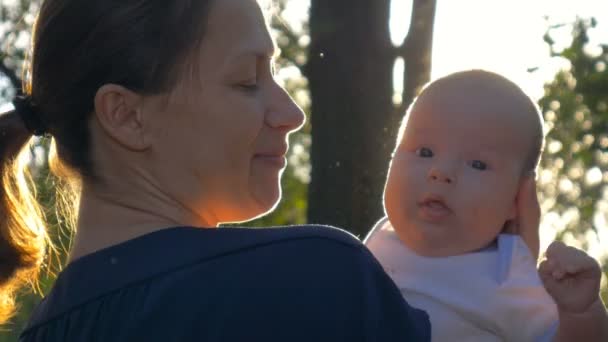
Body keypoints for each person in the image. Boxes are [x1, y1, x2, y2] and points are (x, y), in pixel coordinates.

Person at [0, 0, 431, 340]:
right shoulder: (316, 280)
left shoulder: (43, 331)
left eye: (274, 73)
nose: (291, 112)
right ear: (127, 116)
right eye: (247, 80)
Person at [364, 70, 608, 341]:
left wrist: (581, 314)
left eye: (477, 164)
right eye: (425, 152)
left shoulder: (506, 274)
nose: (440, 171)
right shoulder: (374, 245)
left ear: (517, 200)